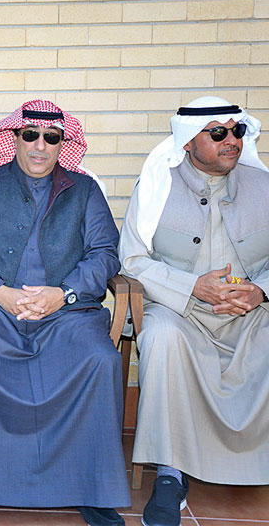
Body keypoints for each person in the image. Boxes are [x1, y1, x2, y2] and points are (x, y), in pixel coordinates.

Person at [0, 99, 130, 526]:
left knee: (100, 359)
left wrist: (64, 293)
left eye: (51, 138)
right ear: (15, 138)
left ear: (62, 143)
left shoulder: (85, 191)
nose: (40, 146)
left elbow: (105, 254)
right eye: (31, 135)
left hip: (67, 311)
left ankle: (93, 490)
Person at [119, 96, 269, 526]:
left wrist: (260, 291)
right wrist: (192, 287)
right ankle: (170, 474)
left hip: (249, 314)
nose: (231, 140)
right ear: (187, 142)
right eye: (217, 133)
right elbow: (131, 261)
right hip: (179, 311)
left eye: (237, 131)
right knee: (161, 336)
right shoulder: (157, 186)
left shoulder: (263, 186)